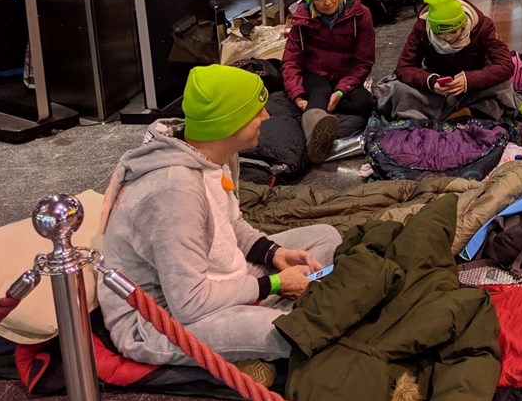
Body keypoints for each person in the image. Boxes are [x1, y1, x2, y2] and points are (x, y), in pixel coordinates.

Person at [98, 65, 342, 376]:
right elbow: (190, 303)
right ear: (230, 123)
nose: (266, 117)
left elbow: (230, 224)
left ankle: (260, 326)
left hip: (216, 278)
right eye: (256, 112)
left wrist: (275, 254)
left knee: (326, 237)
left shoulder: (218, 153)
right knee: (298, 331)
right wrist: (274, 283)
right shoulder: (173, 192)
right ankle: (263, 327)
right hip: (159, 318)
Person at [375, 0, 519, 121]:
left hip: (473, 85)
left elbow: (506, 65)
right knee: (398, 90)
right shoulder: (421, 28)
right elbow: (404, 67)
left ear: (463, 23)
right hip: (437, 88)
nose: (448, 39)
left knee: (504, 87)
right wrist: (431, 81)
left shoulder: (483, 26)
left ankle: (437, 115)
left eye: (454, 32)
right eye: (439, 34)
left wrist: (469, 80)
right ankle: (464, 113)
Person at [282, 0, 377, 163]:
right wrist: (297, 95)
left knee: (365, 103)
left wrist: (342, 90)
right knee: (319, 93)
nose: (327, 2)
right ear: (310, 2)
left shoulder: (360, 14)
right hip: (315, 73)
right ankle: (315, 143)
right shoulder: (302, 21)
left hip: (346, 73)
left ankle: (317, 118)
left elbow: (364, 61)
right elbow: (290, 61)